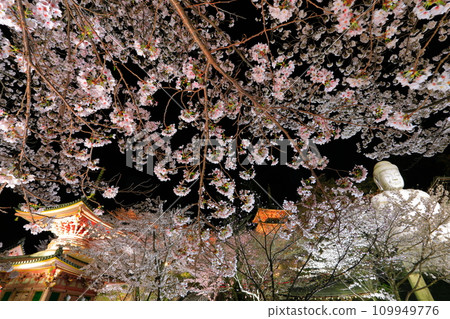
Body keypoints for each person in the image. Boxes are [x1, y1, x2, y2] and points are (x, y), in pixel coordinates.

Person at [371, 161, 448, 301]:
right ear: (378, 182)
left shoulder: (420, 194)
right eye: (388, 175)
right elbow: (382, 225)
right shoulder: (379, 199)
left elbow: (439, 216)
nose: (394, 178)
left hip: (433, 237)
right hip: (405, 243)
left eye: (396, 174)